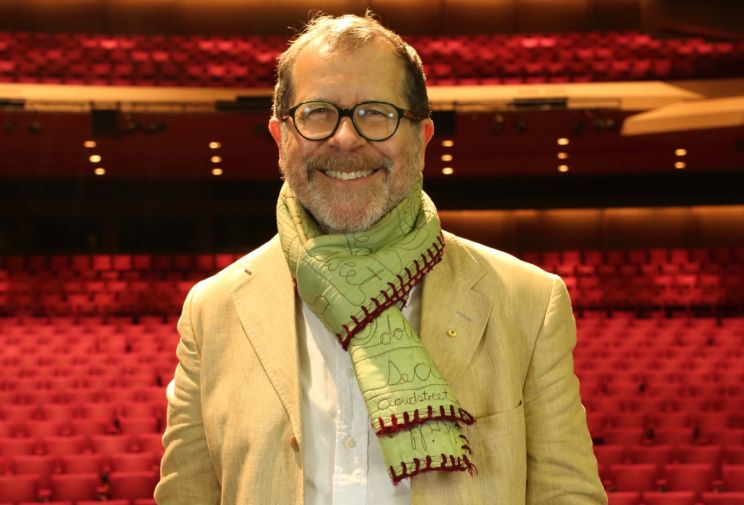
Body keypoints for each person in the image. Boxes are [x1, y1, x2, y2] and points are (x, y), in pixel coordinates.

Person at [155, 12, 606, 505]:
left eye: (376, 113)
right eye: (317, 112)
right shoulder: (212, 310)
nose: (346, 138)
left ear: (422, 138)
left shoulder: (529, 302)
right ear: (280, 138)